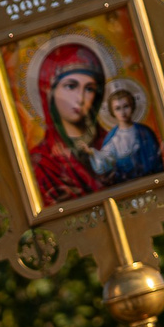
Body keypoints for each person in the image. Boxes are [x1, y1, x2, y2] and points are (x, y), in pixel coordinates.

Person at [26, 40, 106, 206]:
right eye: (71, 86)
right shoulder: (41, 163)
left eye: (89, 88)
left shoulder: (114, 143)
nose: (80, 99)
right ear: (49, 91)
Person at [89, 84, 163, 186]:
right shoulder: (112, 138)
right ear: (112, 111)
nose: (123, 112)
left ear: (132, 106)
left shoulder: (145, 132)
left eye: (126, 106)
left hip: (149, 181)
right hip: (124, 184)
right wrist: (92, 152)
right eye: (118, 108)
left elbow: (156, 159)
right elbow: (104, 162)